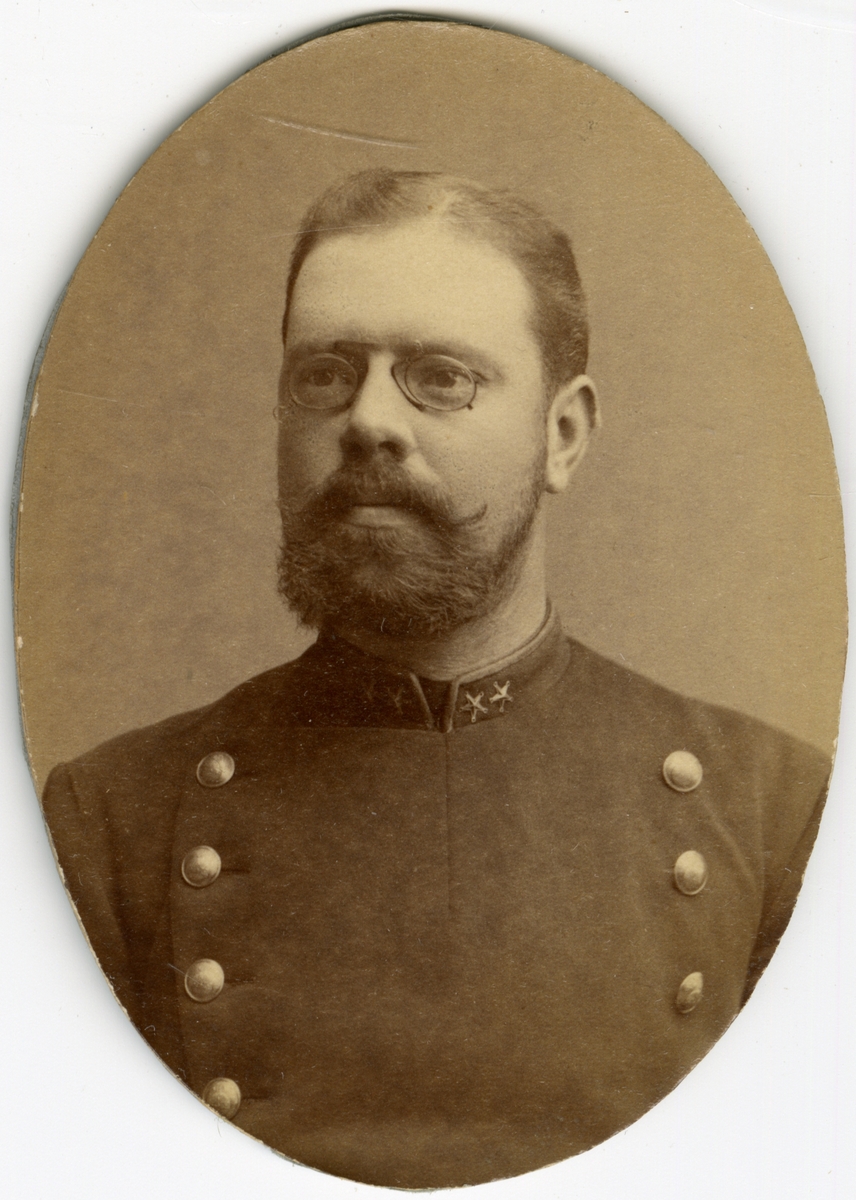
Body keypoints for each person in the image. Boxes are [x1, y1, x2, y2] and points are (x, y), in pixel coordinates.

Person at [42, 169, 831, 1189]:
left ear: (562, 436)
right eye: (326, 374)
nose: (368, 420)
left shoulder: (771, 814)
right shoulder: (110, 822)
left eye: (441, 377)